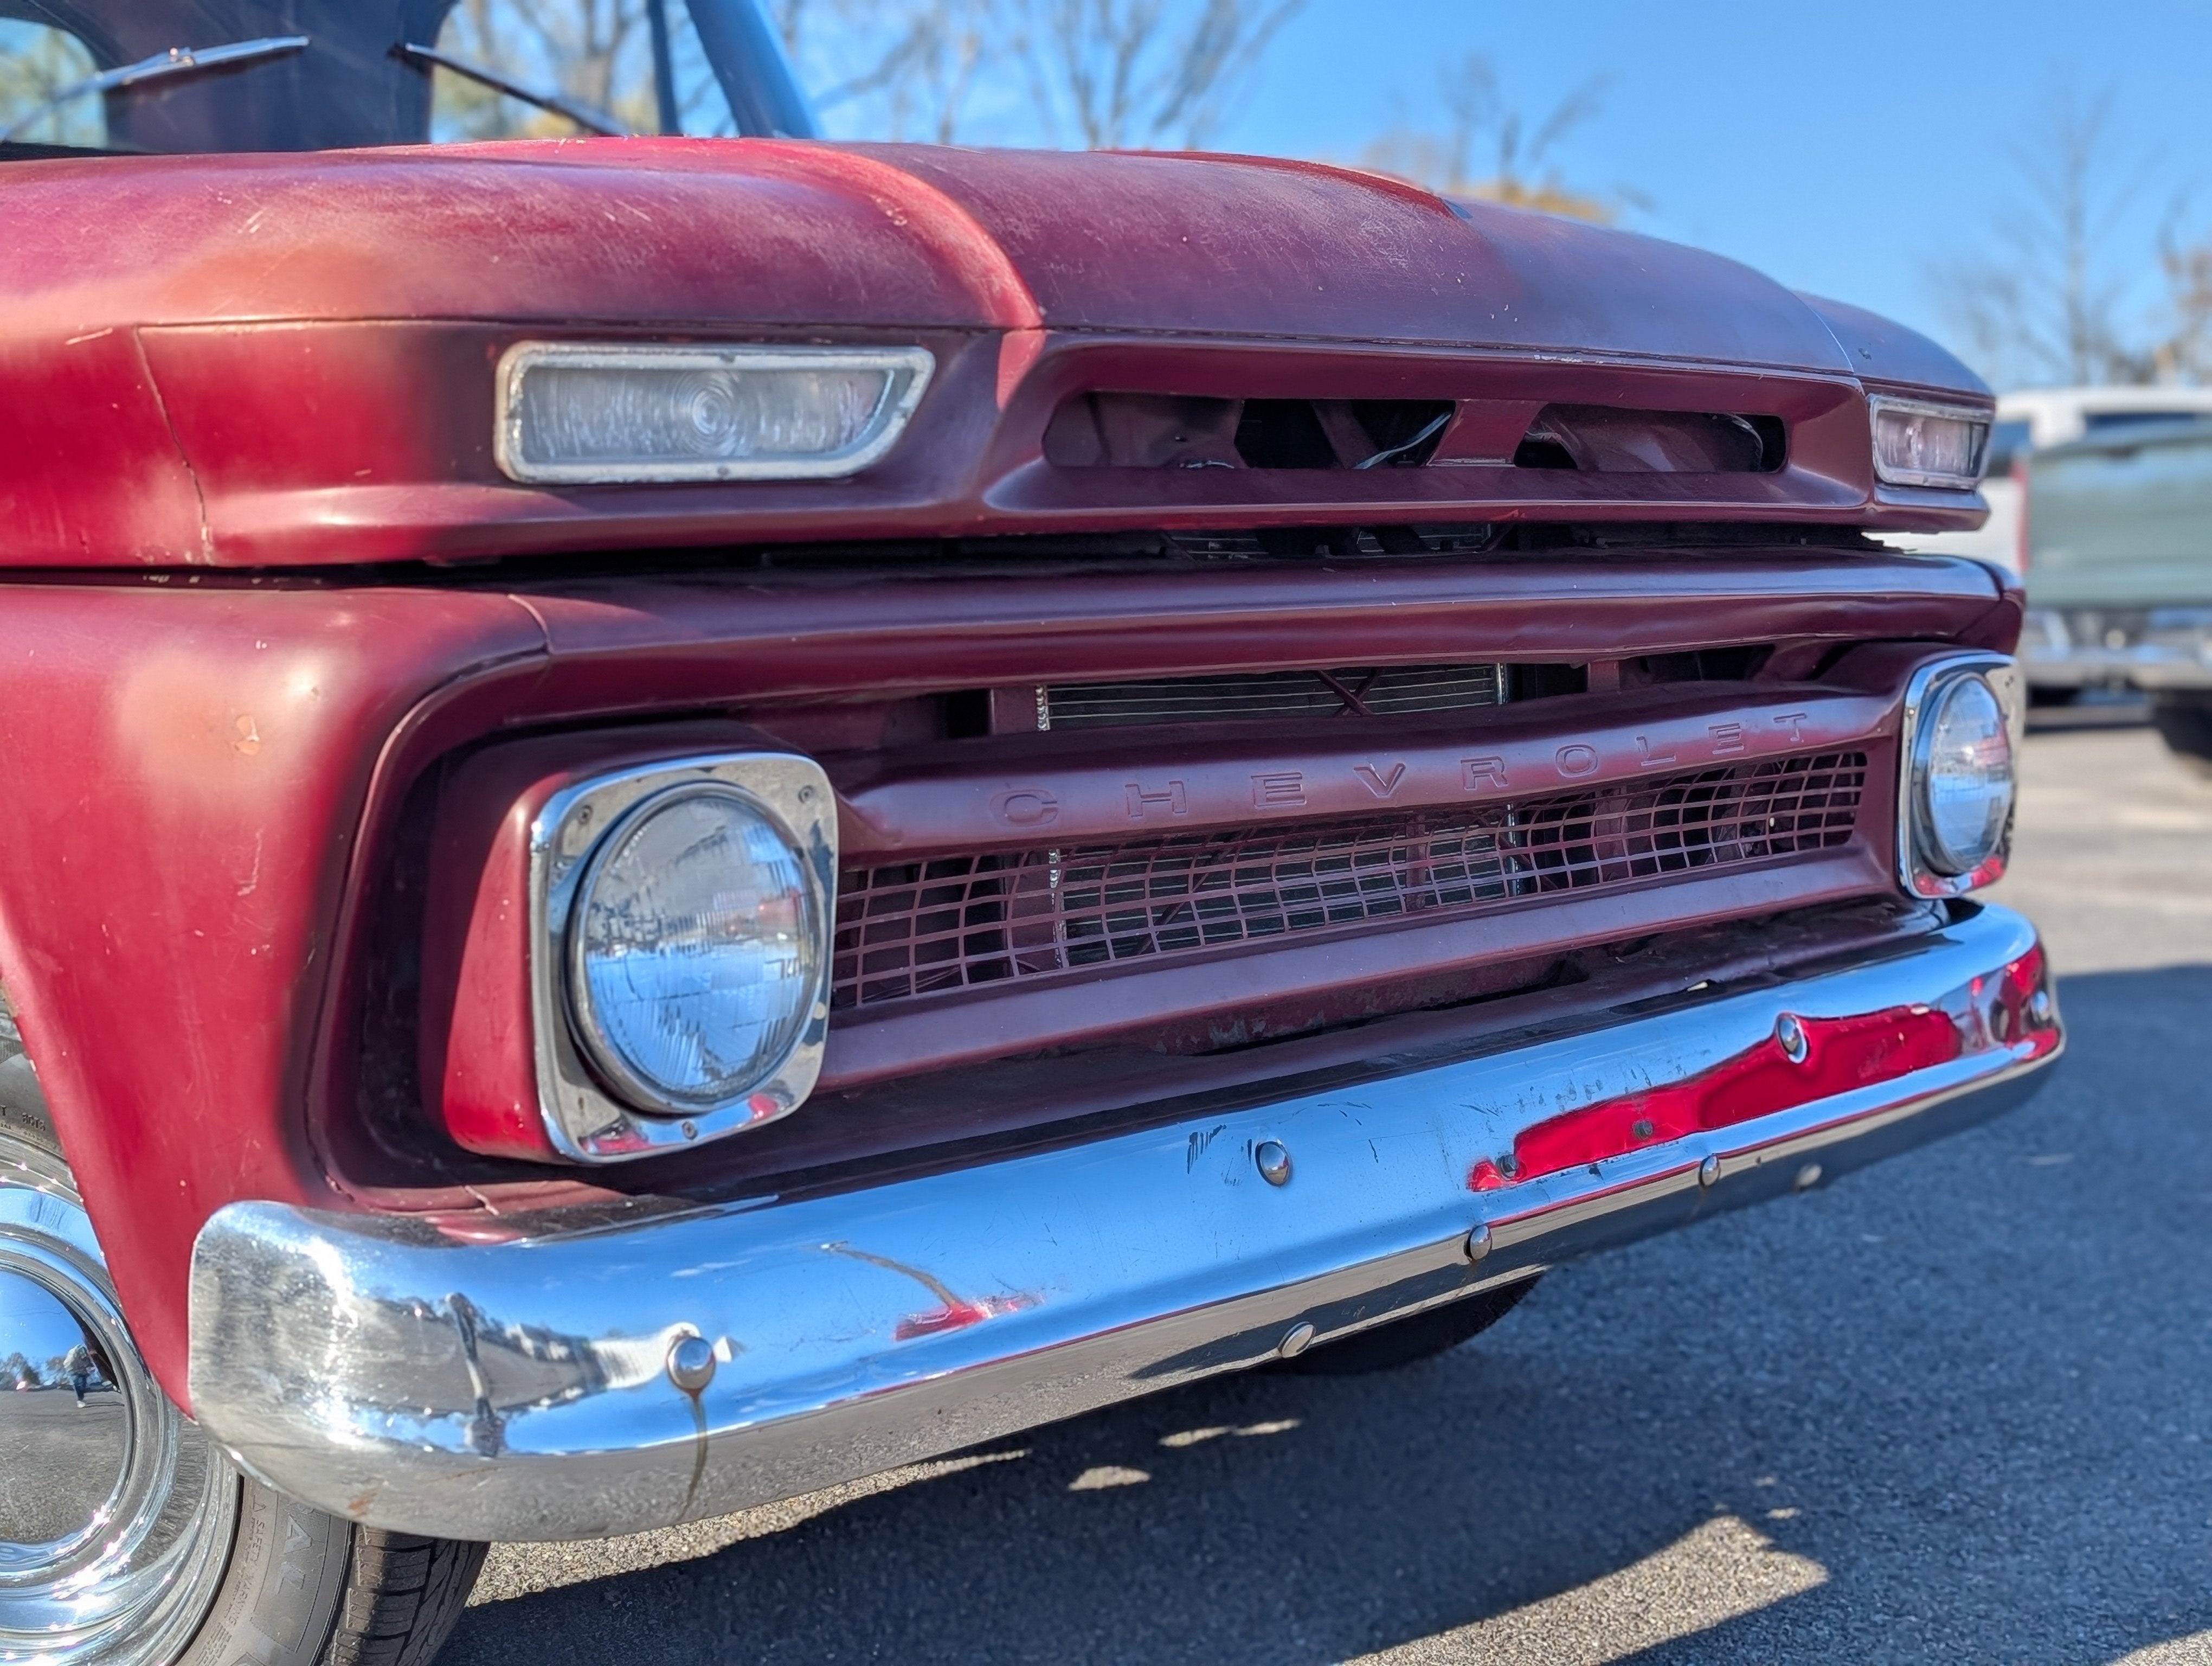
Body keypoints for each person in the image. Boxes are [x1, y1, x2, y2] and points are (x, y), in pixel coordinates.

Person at [63, 1341, 93, 1407]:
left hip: (81, 1370)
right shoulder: (72, 1358)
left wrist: (89, 1366)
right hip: (72, 1370)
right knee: (78, 1384)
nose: (85, 1358)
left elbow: (88, 1363)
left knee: (84, 1384)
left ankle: (81, 1399)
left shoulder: (84, 1353)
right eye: (83, 1357)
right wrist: (84, 1368)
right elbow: (72, 1366)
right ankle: (80, 1401)